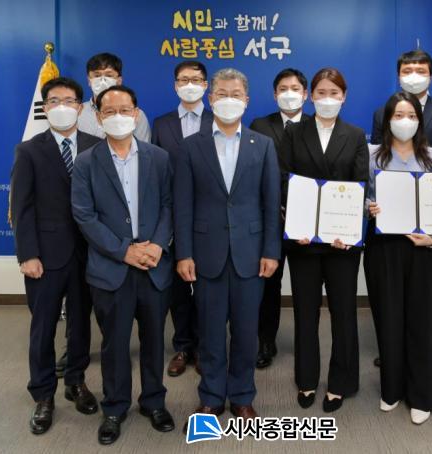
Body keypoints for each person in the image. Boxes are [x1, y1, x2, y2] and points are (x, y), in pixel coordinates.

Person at [174, 68, 281, 431]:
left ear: (246, 101)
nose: (228, 99)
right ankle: (211, 396)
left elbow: (271, 203)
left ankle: (243, 396)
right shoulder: (191, 146)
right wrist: (184, 253)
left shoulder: (262, 145)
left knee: (247, 332)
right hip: (206, 254)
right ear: (210, 98)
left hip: (251, 254)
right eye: (222, 93)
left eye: (236, 94)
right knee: (210, 332)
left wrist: (271, 250)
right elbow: (183, 205)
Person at [71, 85, 175, 444]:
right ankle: (114, 407)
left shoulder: (159, 157)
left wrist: (157, 245)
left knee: (154, 340)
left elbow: (169, 205)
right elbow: (84, 215)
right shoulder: (86, 162)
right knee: (114, 344)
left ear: (136, 114)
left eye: (124, 110)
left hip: (154, 266)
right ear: (98, 117)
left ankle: (154, 402)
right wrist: (123, 251)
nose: (118, 117)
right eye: (109, 111)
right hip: (110, 269)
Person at [10, 77, 100, 435]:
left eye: (69, 101)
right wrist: (27, 254)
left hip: (89, 253)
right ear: (45, 107)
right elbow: (22, 208)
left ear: (80, 106)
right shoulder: (29, 150)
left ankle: (75, 381)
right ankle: (43, 394)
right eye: (54, 101)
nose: (62, 107)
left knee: (80, 324)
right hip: (45, 256)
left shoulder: (97, 145)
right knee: (43, 327)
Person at [370, 49, 432, 386]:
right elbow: (376, 168)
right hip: (391, 230)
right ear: (398, 75)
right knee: (392, 295)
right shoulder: (383, 111)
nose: (413, 74)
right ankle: (394, 351)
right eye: (407, 69)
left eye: (420, 69)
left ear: (431, 75)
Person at [278, 67, 368, 413]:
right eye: (321, 93)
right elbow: (284, 179)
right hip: (303, 242)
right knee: (305, 313)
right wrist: (294, 222)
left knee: (344, 314)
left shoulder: (355, 135)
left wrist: (350, 229)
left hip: (342, 244)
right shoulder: (294, 132)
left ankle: (341, 382)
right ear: (310, 97)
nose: (327, 99)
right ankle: (306, 379)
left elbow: (360, 184)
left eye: (334, 93)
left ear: (344, 97)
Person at [364, 91, 432, 425]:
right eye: (398, 115)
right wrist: (368, 208)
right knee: (388, 318)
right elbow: (359, 196)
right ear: (387, 120)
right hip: (384, 247)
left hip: (422, 248)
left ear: (419, 121)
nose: (405, 121)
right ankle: (392, 389)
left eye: (411, 115)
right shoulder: (372, 155)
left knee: (422, 321)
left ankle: (422, 394)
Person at [152, 60, 213, 377]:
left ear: (206, 84)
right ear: (175, 85)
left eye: (196, 79)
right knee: (177, 287)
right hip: (172, 215)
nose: (190, 85)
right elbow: (154, 171)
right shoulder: (161, 124)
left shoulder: (219, 120)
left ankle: (205, 346)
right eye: (183, 79)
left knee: (206, 285)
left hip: (208, 216)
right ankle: (183, 346)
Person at [249, 68, 311, 369]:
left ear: (305, 94)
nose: (289, 93)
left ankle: (306, 344)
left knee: (305, 286)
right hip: (269, 221)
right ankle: (265, 341)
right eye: (283, 88)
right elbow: (252, 171)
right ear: (274, 94)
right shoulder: (260, 125)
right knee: (268, 286)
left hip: (306, 224)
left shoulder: (316, 126)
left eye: (295, 88)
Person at [77, 52, 151, 142]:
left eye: (109, 75)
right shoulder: (79, 113)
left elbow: (143, 148)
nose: (102, 80)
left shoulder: (135, 114)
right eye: (97, 75)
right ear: (89, 81)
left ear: (119, 80)